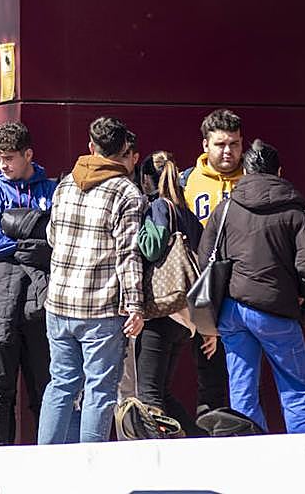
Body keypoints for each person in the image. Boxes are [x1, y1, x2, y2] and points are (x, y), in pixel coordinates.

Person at [197, 139, 305, 434]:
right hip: (276, 309)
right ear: (278, 171)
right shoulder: (294, 211)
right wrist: (303, 294)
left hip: (232, 309)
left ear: (246, 170)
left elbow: (206, 256)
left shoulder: (226, 208)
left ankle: (249, 452)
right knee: (297, 388)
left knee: (242, 388)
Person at [38, 116, 145, 444]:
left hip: (59, 303)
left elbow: (52, 236)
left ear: (91, 147)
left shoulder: (66, 184)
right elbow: (128, 254)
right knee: (100, 391)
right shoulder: (126, 192)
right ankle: (89, 472)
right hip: (99, 308)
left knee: (61, 384)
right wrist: (136, 305)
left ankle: (44, 468)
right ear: (124, 150)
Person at [0, 120, 57, 446]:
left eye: (9, 157)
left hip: (40, 299)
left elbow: (59, 238)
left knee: (45, 386)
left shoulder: (51, 190)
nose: (3, 165)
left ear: (28, 154)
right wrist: (35, 244)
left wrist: (31, 241)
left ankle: (48, 465)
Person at [135, 152, 209, 437]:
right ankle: (197, 439)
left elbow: (152, 248)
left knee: (149, 395)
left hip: (161, 311)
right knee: (163, 392)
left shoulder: (158, 207)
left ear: (145, 179)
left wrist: (136, 232)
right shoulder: (188, 213)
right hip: (184, 315)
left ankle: (160, 454)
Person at [181, 109, 244, 414]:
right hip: (204, 285)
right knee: (210, 375)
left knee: (245, 373)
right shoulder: (189, 181)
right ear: (205, 145)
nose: (228, 151)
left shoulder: (252, 178)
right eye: (220, 144)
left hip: (243, 284)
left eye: (234, 143)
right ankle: (212, 439)